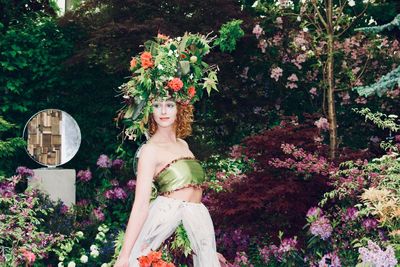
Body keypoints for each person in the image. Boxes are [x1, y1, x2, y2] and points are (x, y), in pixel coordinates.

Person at [114, 33, 227, 267]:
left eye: (169, 104)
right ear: (150, 111)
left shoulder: (183, 145)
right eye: (157, 105)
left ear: (180, 109)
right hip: (165, 228)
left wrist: (206, 250)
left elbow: (192, 196)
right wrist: (125, 255)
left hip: (196, 225)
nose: (163, 111)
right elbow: (141, 205)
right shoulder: (149, 151)